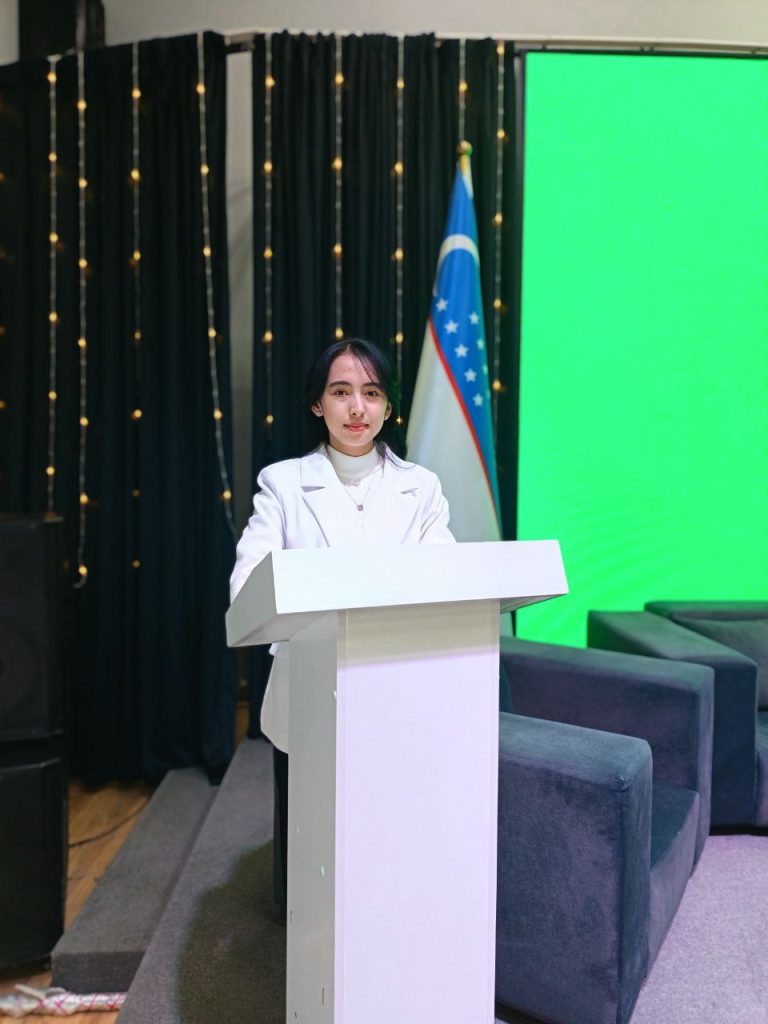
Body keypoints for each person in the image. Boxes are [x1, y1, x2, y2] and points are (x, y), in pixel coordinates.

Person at [229, 338, 455, 908]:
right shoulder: (282, 483)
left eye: (372, 393)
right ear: (317, 404)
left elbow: (449, 584)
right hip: (311, 687)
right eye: (341, 391)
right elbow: (248, 587)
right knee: (309, 866)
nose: (357, 408)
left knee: (386, 855)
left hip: (396, 688)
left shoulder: (421, 487)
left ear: (388, 406)